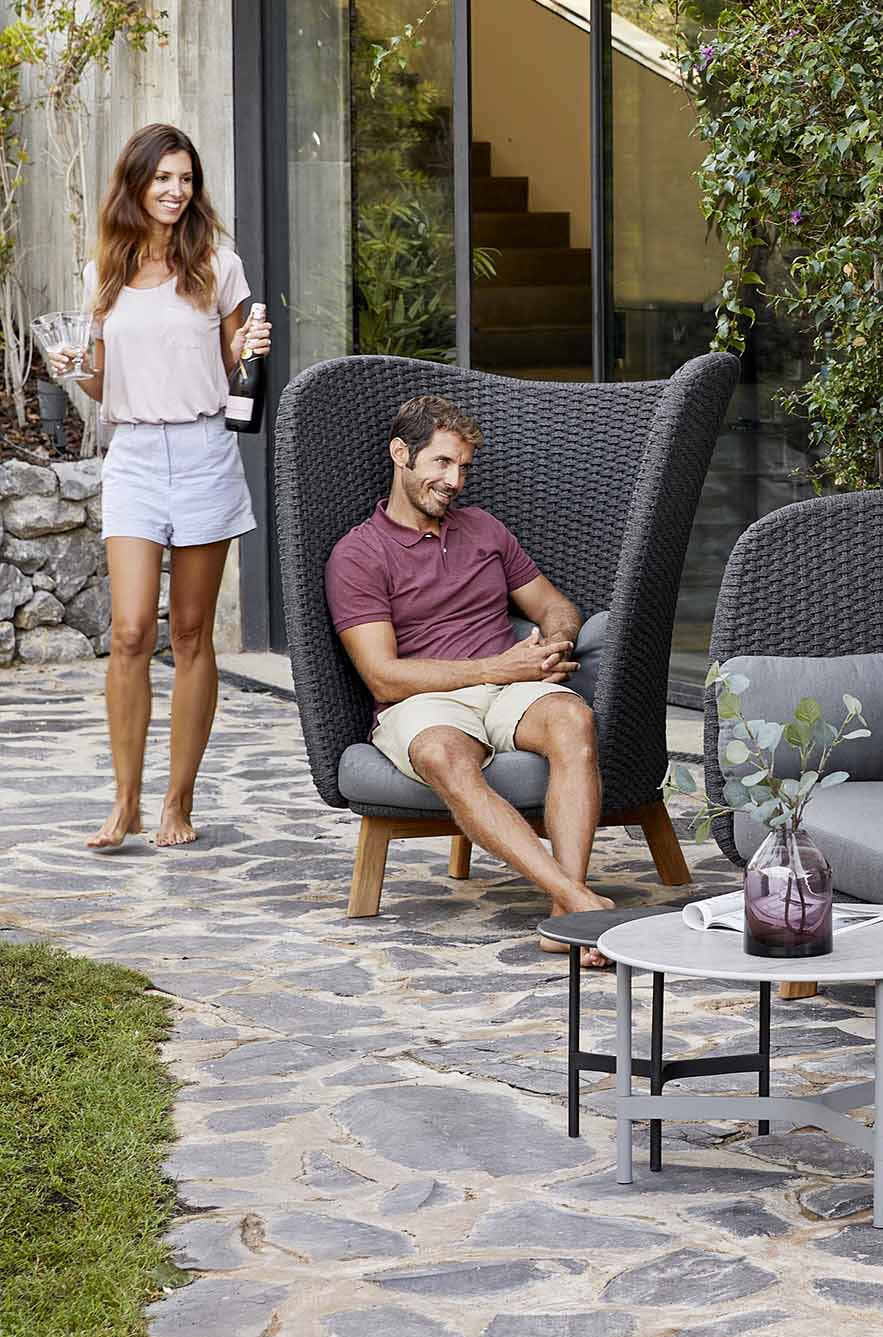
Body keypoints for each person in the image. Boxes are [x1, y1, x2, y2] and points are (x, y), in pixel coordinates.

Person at [325, 395, 614, 965]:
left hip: (510, 686)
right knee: (443, 756)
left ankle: (567, 912)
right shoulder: (358, 555)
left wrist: (552, 643)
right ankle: (576, 900)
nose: (454, 480)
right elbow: (383, 677)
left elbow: (555, 606)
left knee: (573, 719)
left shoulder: (484, 529)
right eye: (441, 464)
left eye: (463, 467)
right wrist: (494, 668)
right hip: (425, 699)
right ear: (401, 455)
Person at [50, 123, 273, 849]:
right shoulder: (105, 273)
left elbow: (241, 369)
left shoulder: (218, 265)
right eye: (163, 179)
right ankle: (125, 803)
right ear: (137, 185)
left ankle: (177, 802)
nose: (177, 191)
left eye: (186, 178)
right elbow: (100, 381)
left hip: (205, 448)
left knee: (190, 633)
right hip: (137, 454)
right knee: (129, 631)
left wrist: (249, 348)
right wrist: (69, 367)